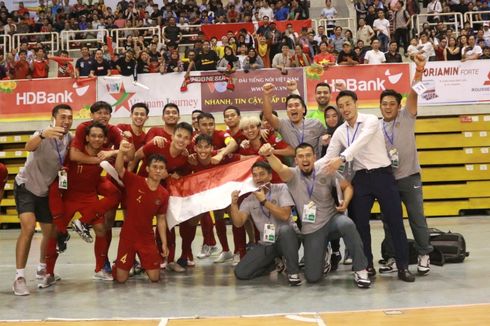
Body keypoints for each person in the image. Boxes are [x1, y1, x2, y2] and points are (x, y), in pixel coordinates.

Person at [323, 90, 415, 282]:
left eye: (348, 104)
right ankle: (367, 265)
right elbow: (327, 158)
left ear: (356, 103)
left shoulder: (371, 120)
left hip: (383, 175)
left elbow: (361, 142)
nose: (345, 109)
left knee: (395, 222)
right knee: (360, 225)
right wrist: (299, 167)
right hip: (361, 179)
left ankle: (403, 266)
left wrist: (342, 158)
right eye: (341, 106)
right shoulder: (340, 131)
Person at [259, 143, 371, 288]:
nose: (305, 159)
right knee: (313, 277)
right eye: (300, 156)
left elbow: (347, 186)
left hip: (332, 220)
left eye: (308, 155)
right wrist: (269, 155)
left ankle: (361, 269)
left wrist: (346, 202)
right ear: (296, 160)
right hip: (311, 229)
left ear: (314, 157)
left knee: (347, 224)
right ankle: (323, 252)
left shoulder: (326, 170)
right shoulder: (292, 175)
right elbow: (280, 167)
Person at [43, 122, 121, 287]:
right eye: (93, 135)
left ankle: (99, 269)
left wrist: (113, 152)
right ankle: (48, 273)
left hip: (89, 197)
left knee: (101, 228)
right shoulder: (75, 151)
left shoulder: (104, 153)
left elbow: (127, 153)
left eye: (100, 136)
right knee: (56, 232)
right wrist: (57, 213)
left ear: (105, 139)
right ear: (86, 137)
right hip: (69, 197)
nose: (97, 139)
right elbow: (60, 179)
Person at [378, 55, 433, 276]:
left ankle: (423, 253)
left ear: (398, 105)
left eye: (392, 103)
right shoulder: (376, 126)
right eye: (384, 104)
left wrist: (419, 70)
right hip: (387, 181)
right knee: (390, 221)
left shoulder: (407, 116)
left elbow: (414, 92)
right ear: (379, 106)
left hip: (409, 177)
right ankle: (392, 256)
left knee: (416, 217)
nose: (388, 107)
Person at [12, 104, 73, 296]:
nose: (66, 120)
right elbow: (28, 146)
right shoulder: (43, 132)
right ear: (53, 118)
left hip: (46, 192)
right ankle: (19, 277)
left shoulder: (69, 138)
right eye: (62, 117)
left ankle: (42, 269)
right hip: (26, 187)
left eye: (69, 117)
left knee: (50, 232)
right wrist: (42, 135)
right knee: (29, 228)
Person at [230, 161, 301, 286]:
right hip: (267, 243)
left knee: (286, 230)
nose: (258, 178)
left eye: (262, 174)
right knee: (241, 273)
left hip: (288, 239)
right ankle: (273, 263)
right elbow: (239, 223)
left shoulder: (281, 189)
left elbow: (285, 215)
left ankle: (293, 273)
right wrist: (234, 204)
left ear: (270, 176)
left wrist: (264, 201)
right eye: (255, 175)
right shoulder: (249, 199)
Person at [113, 140, 169, 283]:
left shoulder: (164, 194)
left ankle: (141, 263)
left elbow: (161, 219)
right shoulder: (134, 181)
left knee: (155, 278)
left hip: (147, 239)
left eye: (161, 168)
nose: (157, 170)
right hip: (128, 236)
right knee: (120, 279)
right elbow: (119, 169)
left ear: (164, 172)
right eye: (154, 167)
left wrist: (163, 243)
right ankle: (123, 263)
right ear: (148, 169)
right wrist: (121, 151)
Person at [262, 83, 327, 158]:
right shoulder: (283, 125)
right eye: (290, 106)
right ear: (286, 111)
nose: (293, 108)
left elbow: (330, 135)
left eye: (296, 105)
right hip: (295, 168)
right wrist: (266, 95)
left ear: (303, 109)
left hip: (315, 167)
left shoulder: (316, 124)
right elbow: (268, 116)